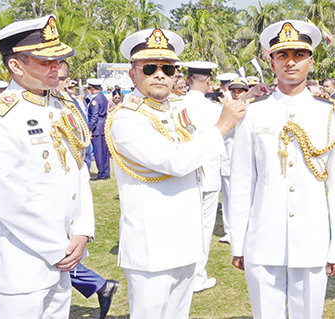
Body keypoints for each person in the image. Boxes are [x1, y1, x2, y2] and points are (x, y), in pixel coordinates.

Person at [105, 28, 246, 319]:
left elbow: (205, 138)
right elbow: (176, 161)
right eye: (150, 68)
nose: (159, 75)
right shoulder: (127, 117)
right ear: (133, 75)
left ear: (175, 75)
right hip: (151, 246)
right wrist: (223, 125)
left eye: (167, 68)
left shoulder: (174, 110)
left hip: (185, 239)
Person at [0, 15, 95, 318]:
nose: (57, 68)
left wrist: (82, 230)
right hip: (19, 265)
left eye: (59, 60)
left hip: (64, 258)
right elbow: (9, 199)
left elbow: (78, 169)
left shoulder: (61, 106)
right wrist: (59, 249)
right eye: (45, 62)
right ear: (16, 65)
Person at [228, 20, 335, 318]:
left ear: (311, 60)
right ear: (271, 60)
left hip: (312, 238)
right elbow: (243, 181)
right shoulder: (253, 112)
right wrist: (239, 242)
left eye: (298, 54)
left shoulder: (331, 114)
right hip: (262, 238)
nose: (290, 61)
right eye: (282, 55)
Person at [56, 60, 119, 319]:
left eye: (60, 77)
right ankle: (100, 286)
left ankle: (100, 285)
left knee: (61, 257)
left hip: (66, 195)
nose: (58, 82)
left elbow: (79, 149)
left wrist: (83, 228)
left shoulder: (71, 105)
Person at [182, 61, 223, 292]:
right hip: (207, 174)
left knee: (186, 226)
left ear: (188, 79)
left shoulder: (176, 104)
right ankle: (197, 277)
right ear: (208, 81)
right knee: (203, 229)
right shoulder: (213, 108)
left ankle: (186, 276)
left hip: (186, 173)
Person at [87, 78, 110, 180]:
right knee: (104, 152)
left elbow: (94, 116)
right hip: (103, 126)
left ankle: (102, 173)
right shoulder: (102, 97)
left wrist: (90, 129)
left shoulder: (95, 100)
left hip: (97, 129)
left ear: (92, 89)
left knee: (99, 152)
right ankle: (106, 171)